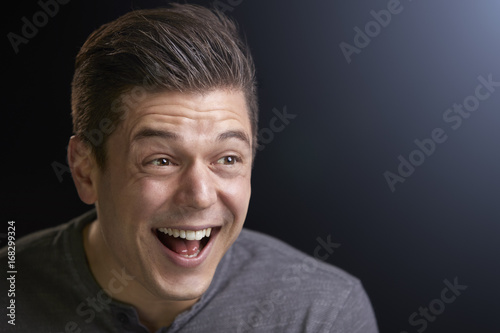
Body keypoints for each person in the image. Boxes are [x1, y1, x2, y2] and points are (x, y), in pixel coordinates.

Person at [1, 4, 378, 332]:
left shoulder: (324, 315)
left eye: (227, 159)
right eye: (161, 161)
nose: (199, 195)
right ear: (85, 171)